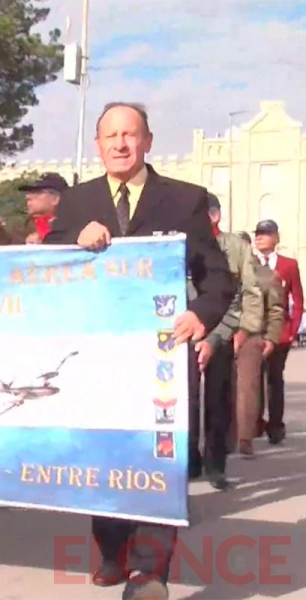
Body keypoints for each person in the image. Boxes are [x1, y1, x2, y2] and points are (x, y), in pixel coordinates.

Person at [45, 102, 235, 600]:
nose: (121, 144)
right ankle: (113, 552)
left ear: (148, 141)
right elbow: (47, 269)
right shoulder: (76, 202)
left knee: (158, 458)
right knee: (105, 454)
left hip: (162, 358)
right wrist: (70, 243)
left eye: (131, 134)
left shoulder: (184, 199)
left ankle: (150, 572)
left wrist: (201, 316)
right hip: (99, 359)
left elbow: (216, 276)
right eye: (111, 136)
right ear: (98, 145)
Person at [189, 194, 261, 489]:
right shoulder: (184, 245)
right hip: (186, 333)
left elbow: (250, 292)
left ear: (215, 215)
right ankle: (190, 460)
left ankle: (216, 465)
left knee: (218, 401)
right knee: (186, 400)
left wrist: (243, 331)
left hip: (223, 330)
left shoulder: (236, 247)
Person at [252, 219, 303, 444]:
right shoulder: (249, 263)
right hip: (254, 330)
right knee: (253, 379)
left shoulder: (288, 265)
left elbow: (298, 300)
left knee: (274, 379)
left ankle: (276, 425)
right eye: (258, 234)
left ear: (276, 238)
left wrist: (292, 331)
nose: (260, 237)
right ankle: (254, 423)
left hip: (280, 333)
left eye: (265, 233)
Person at [234, 232, 285, 457]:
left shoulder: (266, 276)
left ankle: (246, 437)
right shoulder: (225, 271)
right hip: (223, 333)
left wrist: (271, 338)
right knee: (223, 388)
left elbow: (276, 310)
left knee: (248, 388)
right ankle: (225, 435)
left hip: (253, 336)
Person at [19, 172, 68, 242]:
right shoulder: (20, 229)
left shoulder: (74, 227)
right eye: (28, 193)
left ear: (55, 199)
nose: (28, 196)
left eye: (36, 192)